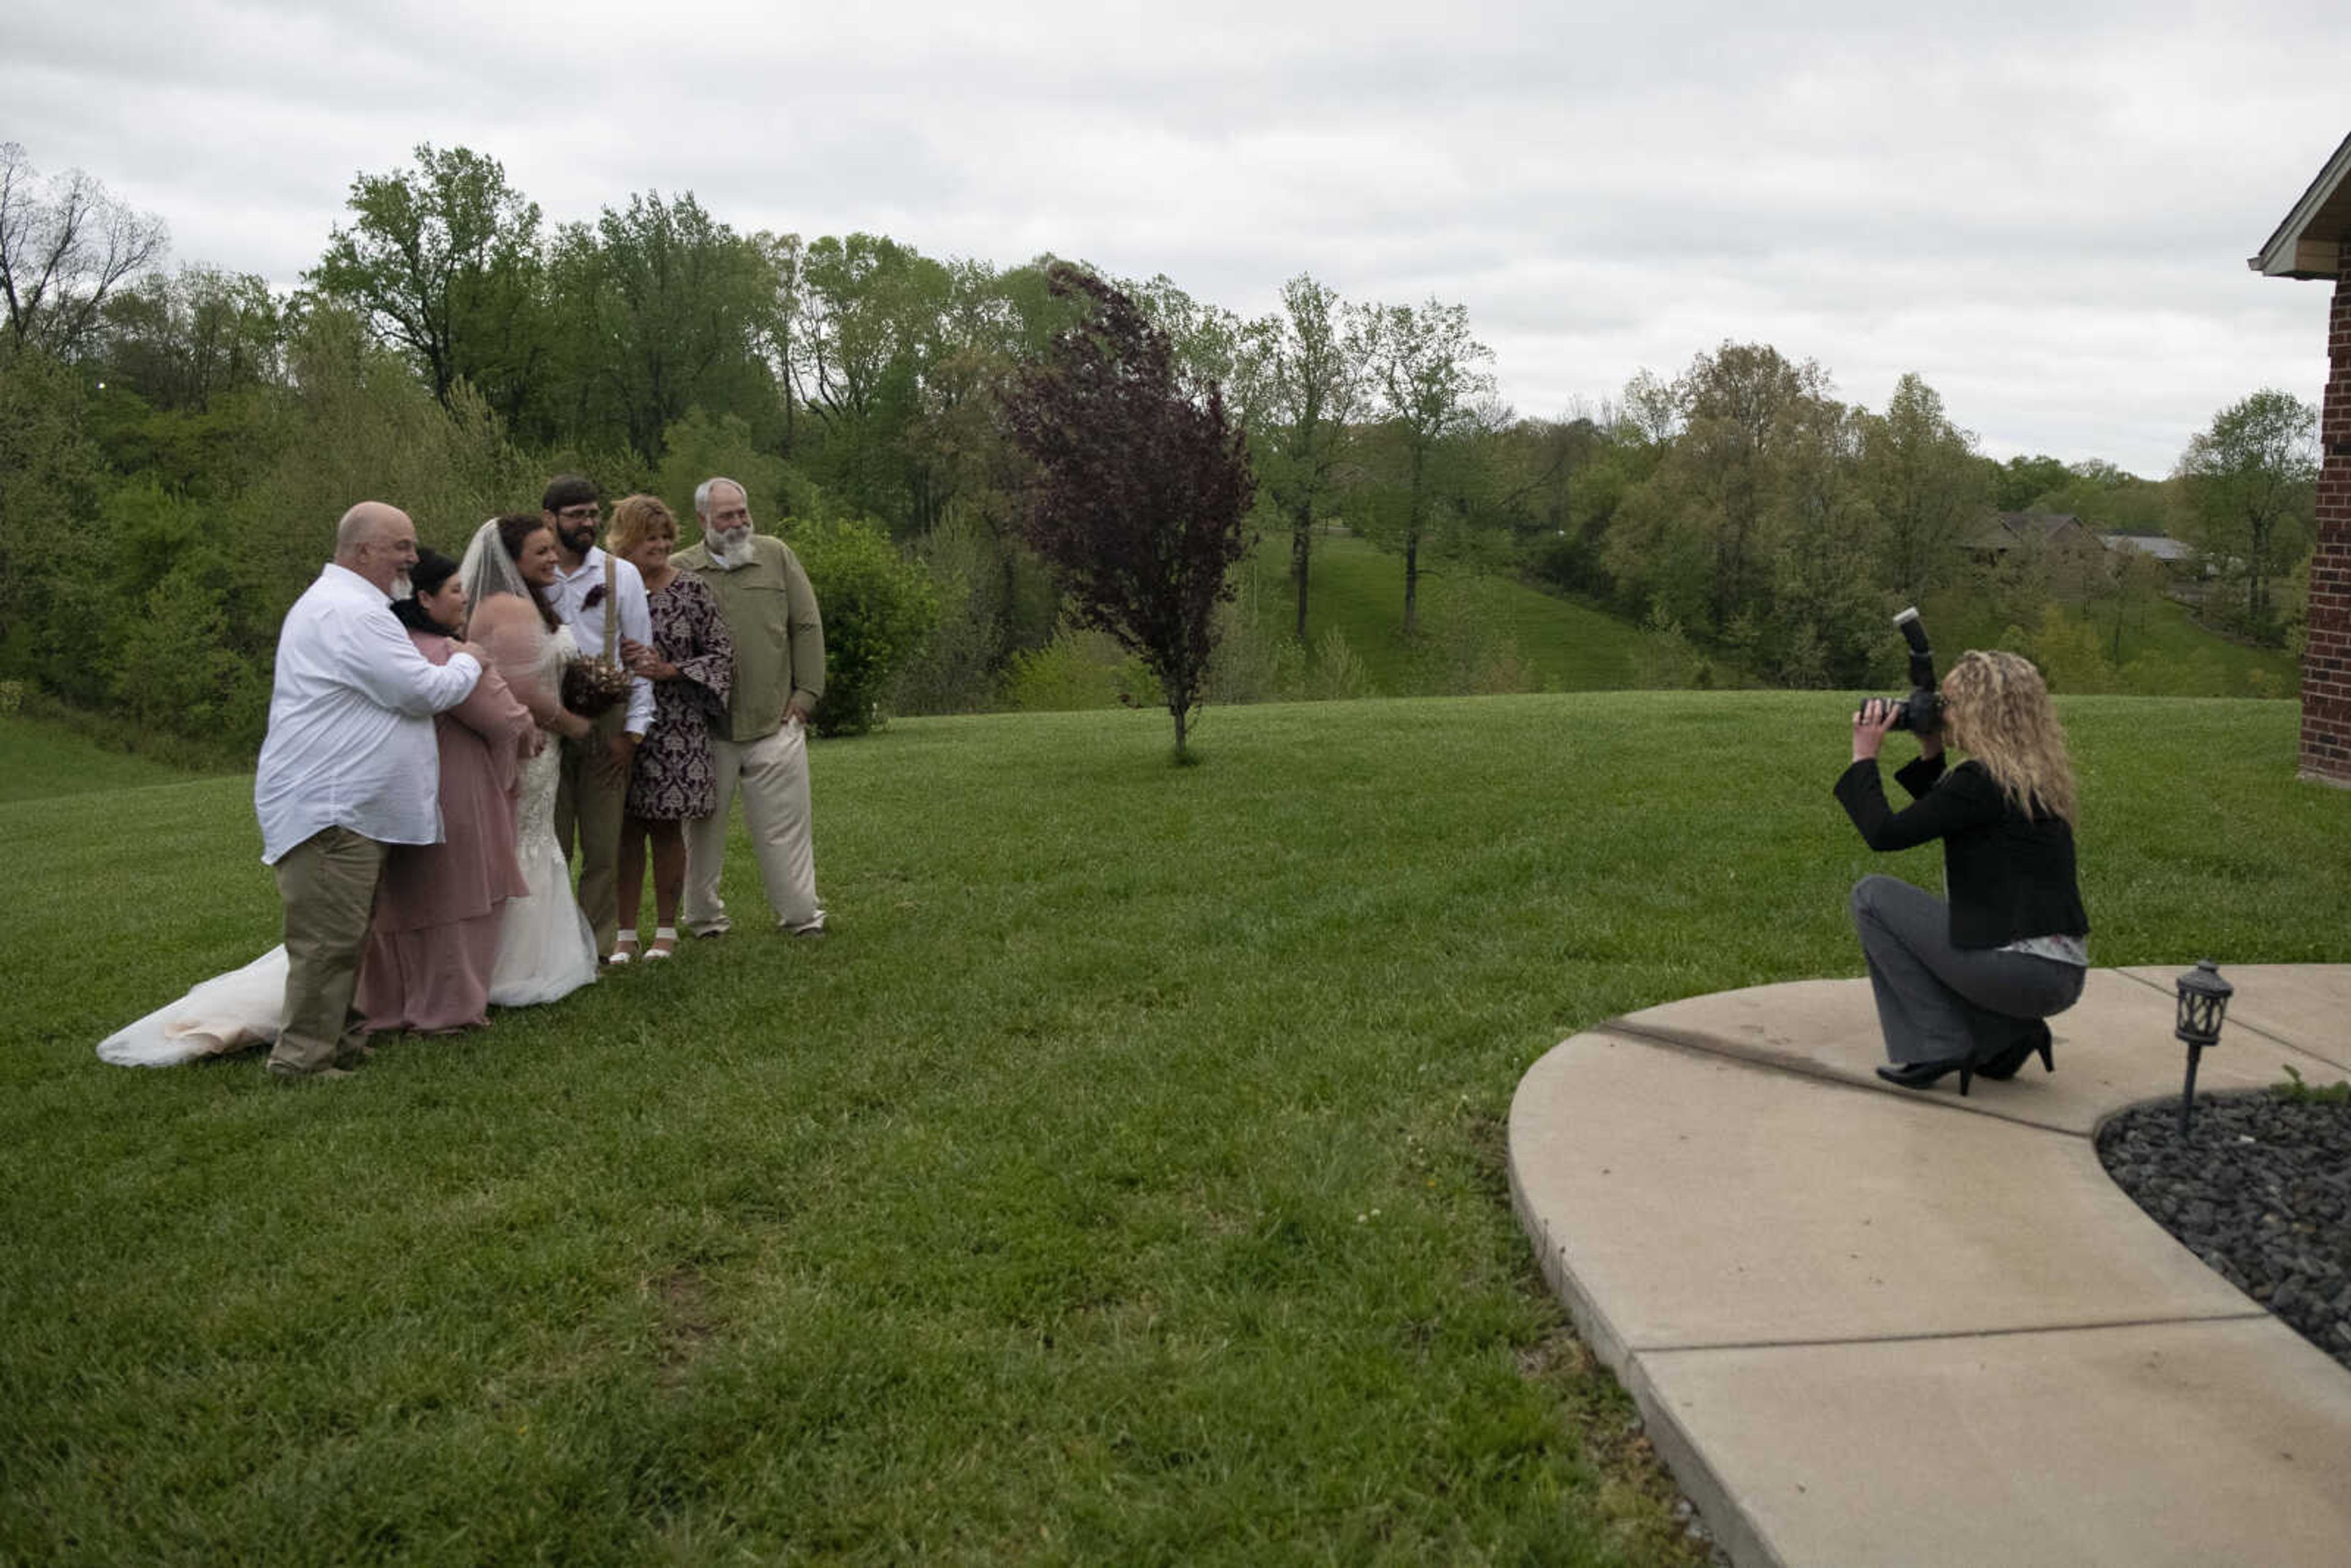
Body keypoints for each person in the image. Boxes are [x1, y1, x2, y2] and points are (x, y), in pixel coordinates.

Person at [252, 503, 487, 1081]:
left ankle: (344, 1037)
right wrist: (468, 662)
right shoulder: (349, 612)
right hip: (331, 808)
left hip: (348, 807)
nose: (413, 557)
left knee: (348, 932)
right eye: (401, 547)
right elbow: (419, 691)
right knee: (328, 941)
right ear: (362, 552)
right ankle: (302, 1061)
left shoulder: (354, 607)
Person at [1835, 649, 2091, 1096]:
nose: (1941, 713)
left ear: (1979, 712)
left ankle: (1940, 1043)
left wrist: (1864, 757)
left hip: (2020, 973)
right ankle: (2007, 1033)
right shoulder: (2028, 778)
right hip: (2059, 976)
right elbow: (1946, 809)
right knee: (1944, 929)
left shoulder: (1981, 780)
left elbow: (1885, 833)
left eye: (1949, 704)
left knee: (1872, 897)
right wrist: (1931, 748)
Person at [353, 548, 537, 1034]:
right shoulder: (451, 656)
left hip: (394, 791)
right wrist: (529, 726)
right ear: (425, 598)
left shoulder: (386, 648)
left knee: (402, 903)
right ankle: (448, 1011)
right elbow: (503, 717)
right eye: (456, 590)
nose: (466, 599)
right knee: (459, 900)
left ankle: (387, 1006)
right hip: (456, 789)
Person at [671, 477, 828, 938]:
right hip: (706, 730)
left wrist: (807, 696)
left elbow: (806, 624)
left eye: (742, 512)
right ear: (703, 520)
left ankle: (802, 918)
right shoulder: (680, 569)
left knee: (786, 832)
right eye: (727, 515)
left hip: (774, 723)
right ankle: (703, 920)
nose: (739, 522)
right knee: (701, 834)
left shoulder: (776, 555)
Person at [459, 514, 603, 1006]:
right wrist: (572, 723)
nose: (552, 558)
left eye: (551, 549)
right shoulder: (513, 608)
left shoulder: (509, 604)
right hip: (532, 748)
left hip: (530, 746)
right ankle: (519, 964)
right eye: (540, 551)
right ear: (511, 558)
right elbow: (522, 690)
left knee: (530, 841)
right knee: (527, 844)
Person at [607, 494, 732, 962]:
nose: (659, 547)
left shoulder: (693, 590)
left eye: (665, 538)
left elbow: (722, 656)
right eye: (648, 539)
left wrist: (673, 670)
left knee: (665, 829)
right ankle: (622, 933)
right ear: (625, 542)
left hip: (677, 728)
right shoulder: (608, 588)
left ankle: (665, 929)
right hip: (618, 723)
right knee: (622, 830)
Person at [539, 475, 654, 962]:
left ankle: (596, 948)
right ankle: (551, 946)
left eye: (592, 514)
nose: (587, 524)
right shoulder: (532, 573)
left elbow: (641, 656)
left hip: (607, 718)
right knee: (551, 843)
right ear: (550, 520)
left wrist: (634, 730)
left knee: (604, 847)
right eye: (575, 515)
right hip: (545, 719)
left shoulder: (619, 574)